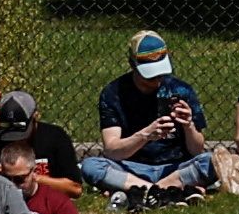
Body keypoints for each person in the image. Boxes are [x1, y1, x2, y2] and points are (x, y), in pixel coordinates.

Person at [78, 33, 215, 203]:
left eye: (161, 72)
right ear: (132, 65)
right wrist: (146, 135)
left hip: (176, 166)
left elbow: (197, 150)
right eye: (150, 74)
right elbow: (112, 151)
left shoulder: (181, 90)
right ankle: (165, 189)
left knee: (212, 161)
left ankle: (142, 190)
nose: (157, 79)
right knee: (91, 166)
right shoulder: (114, 93)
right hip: (132, 167)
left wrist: (188, 125)